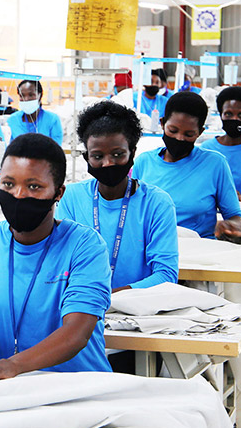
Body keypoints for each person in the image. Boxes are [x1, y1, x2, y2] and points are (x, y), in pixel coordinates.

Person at [0, 133, 113, 384]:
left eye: (34, 187)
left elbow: (76, 333)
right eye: (8, 184)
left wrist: (12, 365)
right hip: (1, 389)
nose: (18, 195)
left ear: (58, 192)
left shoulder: (85, 246)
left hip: (75, 388)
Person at [56, 100, 178, 292]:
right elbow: (61, 265)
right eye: (97, 156)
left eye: (117, 154)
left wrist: (114, 297)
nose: (108, 163)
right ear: (86, 157)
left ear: (132, 153)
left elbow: (166, 274)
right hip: (80, 303)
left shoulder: (157, 203)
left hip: (138, 308)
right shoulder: (71, 198)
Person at [132, 92, 241, 239]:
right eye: (173, 130)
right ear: (162, 123)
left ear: (200, 132)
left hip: (198, 253)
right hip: (152, 248)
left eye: (189, 134)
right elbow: (132, 213)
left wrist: (231, 226)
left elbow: (235, 218)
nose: (179, 138)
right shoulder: (144, 162)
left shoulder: (215, 165)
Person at [7, 80, 63, 144]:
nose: (26, 99)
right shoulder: (12, 120)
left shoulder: (52, 119)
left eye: (31, 95)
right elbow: (9, 148)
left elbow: (56, 149)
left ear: (40, 95)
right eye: (22, 95)